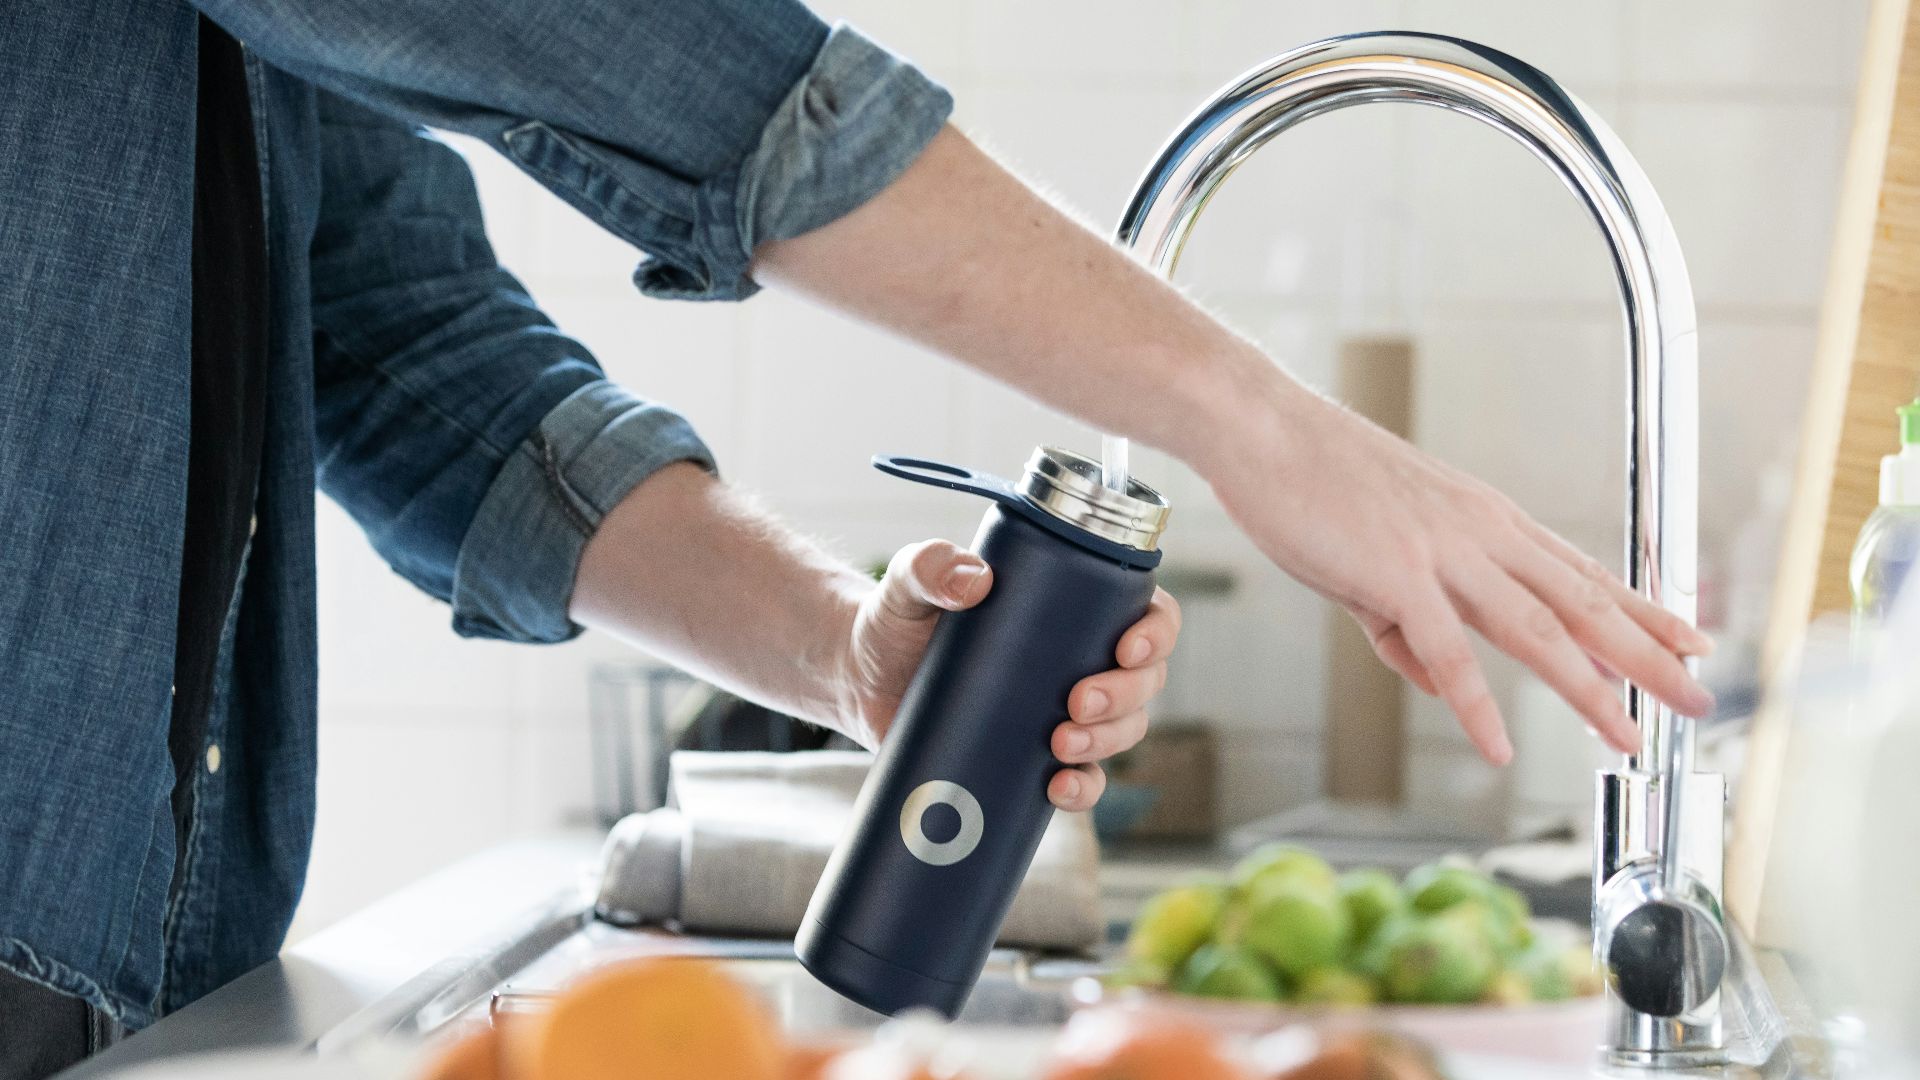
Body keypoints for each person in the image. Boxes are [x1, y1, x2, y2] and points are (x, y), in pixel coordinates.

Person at [0, 2, 1714, 1075]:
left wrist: (842, 650)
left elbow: (396, 347)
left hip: (118, 972)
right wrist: (1256, 424)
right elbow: (667, 74)